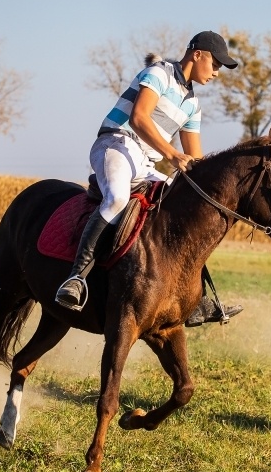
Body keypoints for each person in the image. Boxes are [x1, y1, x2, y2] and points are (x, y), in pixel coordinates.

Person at [55, 30, 243, 326]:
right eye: (216, 64)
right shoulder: (159, 73)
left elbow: (194, 158)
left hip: (146, 163)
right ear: (198, 55)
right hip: (115, 145)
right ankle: (76, 278)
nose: (217, 73)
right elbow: (139, 118)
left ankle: (196, 300)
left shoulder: (192, 104)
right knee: (117, 198)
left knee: (187, 213)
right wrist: (171, 155)